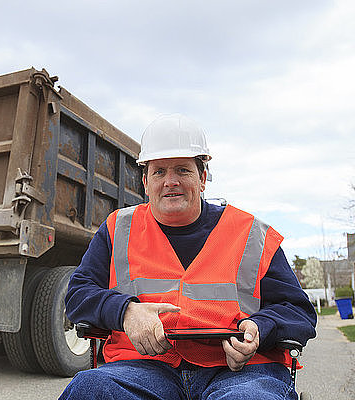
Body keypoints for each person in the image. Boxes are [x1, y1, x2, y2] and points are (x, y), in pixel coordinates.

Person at [60, 114, 317, 400]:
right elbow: (77, 296)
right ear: (145, 182)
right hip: (143, 369)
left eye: (182, 170)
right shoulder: (117, 228)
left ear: (203, 178)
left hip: (240, 372)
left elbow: (298, 311)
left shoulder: (251, 234)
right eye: (159, 172)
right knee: (88, 390)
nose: (170, 181)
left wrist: (260, 328)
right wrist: (126, 312)